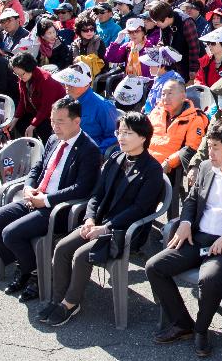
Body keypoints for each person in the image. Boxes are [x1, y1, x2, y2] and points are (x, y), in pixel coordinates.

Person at [147, 119, 222, 356]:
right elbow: (192, 200)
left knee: (209, 279)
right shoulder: (205, 167)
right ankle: (183, 323)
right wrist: (184, 223)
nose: (209, 151)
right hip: (197, 238)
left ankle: (201, 330)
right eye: (209, 145)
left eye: (215, 147)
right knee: (155, 267)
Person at [37, 111, 165, 327]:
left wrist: (105, 227)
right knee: (62, 248)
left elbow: (139, 209)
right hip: (98, 223)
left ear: (143, 137)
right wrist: (89, 219)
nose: (121, 137)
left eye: (128, 133)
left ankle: (70, 303)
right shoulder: (116, 157)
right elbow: (96, 194)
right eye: (120, 132)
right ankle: (58, 298)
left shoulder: (152, 169)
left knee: (81, 255)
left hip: (123, 231)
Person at [0, 97, 100, 301]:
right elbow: (38, 167)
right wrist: (28, 187)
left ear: (77, 121)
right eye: (52, 121)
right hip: (35, 198)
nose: (54, 126)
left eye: (60, 121)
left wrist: (46, 200)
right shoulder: (53, 139)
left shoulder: (89, 149)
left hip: (58, 209)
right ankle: (28, 266)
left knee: (11, 234)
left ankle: (37, 275)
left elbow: (82, 188)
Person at [11, 52, 65, 141]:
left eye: (22, 74)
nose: (20, 77)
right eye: (17, 75)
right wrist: (15, 118)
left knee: (42, 128)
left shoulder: (46, 80)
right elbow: (23, 100)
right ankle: (28, 145)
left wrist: (33, 125)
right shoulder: (23, 78)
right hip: (36, 110)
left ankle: (44, 150)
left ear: (30, 68)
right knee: (19, 123)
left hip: (53, 114)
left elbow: (46, 107)